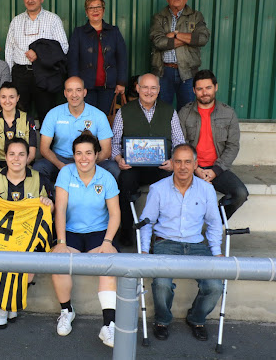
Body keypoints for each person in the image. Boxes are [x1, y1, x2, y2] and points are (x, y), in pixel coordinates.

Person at [139, 144, 223, 342]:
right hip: (165, 243)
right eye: (178, 161)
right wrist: (143, 250)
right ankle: (162, 320)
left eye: (188, 162)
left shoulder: (206, 189)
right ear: (172, 163)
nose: (183, 167)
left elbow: (214, 223)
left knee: (214, 286)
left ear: (195, 164)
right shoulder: (158, 189)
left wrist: (217, 251)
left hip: (196, 245)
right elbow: (146, 221)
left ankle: (196, 318)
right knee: (161, 284)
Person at [0, 137, 53, 328]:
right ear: (5, 157)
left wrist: (49, 205)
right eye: (12, 154)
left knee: (27, 268)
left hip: (27, 238)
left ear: (28, 157)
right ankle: (5, 306)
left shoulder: (39, 179)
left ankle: (9, 303)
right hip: (0, 237)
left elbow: (51, 211)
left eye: (21, 154)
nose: (16, 159)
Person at [50, 131, 120, 348]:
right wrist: (61, 242)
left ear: (97, 154)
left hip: (98, 232)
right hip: (70, 231)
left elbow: (115, 214)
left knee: (110, 263)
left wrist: (107, 242)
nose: (83, 158)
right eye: (78, 153)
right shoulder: (66, 173)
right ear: (73, 155)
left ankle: (109, 324)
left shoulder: (106, 177)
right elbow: (59, 209)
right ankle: (66, 310)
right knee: (57, 261)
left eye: (88, 153)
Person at [111, 73, 185, 246]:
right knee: (125, 181)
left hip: (162, 166)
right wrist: (118, 158)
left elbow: (179, 142)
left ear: (159, 90)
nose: (149, 91)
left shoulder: (169, 111)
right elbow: (114, 142)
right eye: (145, 87)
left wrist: (173, 162)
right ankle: (127, 228)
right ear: (137, 88)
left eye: (153, 88)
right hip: (133, 167)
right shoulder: (125, 111)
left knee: (170, 182)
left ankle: (162, 232)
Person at [178, 69, 248, 218]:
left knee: (240, 193)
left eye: (208, 88)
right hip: (192, 169)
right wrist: (196, 169)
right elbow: (181, 145)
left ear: (215, 87)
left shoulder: (228, 113)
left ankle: (215, 221)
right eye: (200, 89)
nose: (204, 92)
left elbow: (233, 146)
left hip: (217, 168)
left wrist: (215, 170)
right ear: (194, 91)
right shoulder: (184, 113)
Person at [5, 0, 69, 122]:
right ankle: (20, 144)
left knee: (46, 115)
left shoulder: (53, 19)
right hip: (20, 74)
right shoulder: (16, 21)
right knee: (19, 115)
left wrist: (39, 54)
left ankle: (46, 144)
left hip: (45, 73)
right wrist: (9, 78)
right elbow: (9, 50)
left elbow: (63, 47)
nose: (30, 0)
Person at [33, 76, 118, 182]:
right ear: (65, 93)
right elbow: (44, 149)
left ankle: (108, 198)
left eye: (78, 90)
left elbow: (106, 151)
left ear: (85, 92)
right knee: (39, 167)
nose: (74, 95)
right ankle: (50, 197)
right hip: (61, 158)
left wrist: (89, 163)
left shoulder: (98, 115)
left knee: (113, 168)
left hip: (89, 158)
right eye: (70, 90)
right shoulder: (54, 114)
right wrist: (60, 165)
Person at [150, 0, 210, 110]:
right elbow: (158, 42)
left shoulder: (196, 16)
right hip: (163, 72)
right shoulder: (159, 17)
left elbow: (202, 39)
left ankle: (182, 132)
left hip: (188, 72)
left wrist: (175, 34)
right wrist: (189, 38)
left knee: (187, 111)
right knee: (163, 111)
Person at [68, 0, 128, 114]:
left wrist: (121, 82)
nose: (95, 11)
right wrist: (74, 85)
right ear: (86, 12)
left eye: (98, 7)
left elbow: (122, 58)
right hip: (85, 87)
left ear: (103, 10)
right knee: (87, 118)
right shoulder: (78, 33)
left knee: (104, 118)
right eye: (91, 8)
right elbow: (72, 60)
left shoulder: (114, 31)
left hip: (108, 86)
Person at [0, 82, 37, 186]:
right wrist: (1, 172)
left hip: (21, 162)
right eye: (3, 97)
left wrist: (18, 167)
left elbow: (32, 153)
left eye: (11, 97)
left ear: (18, 98)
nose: (7, 101)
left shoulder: (28, 119)